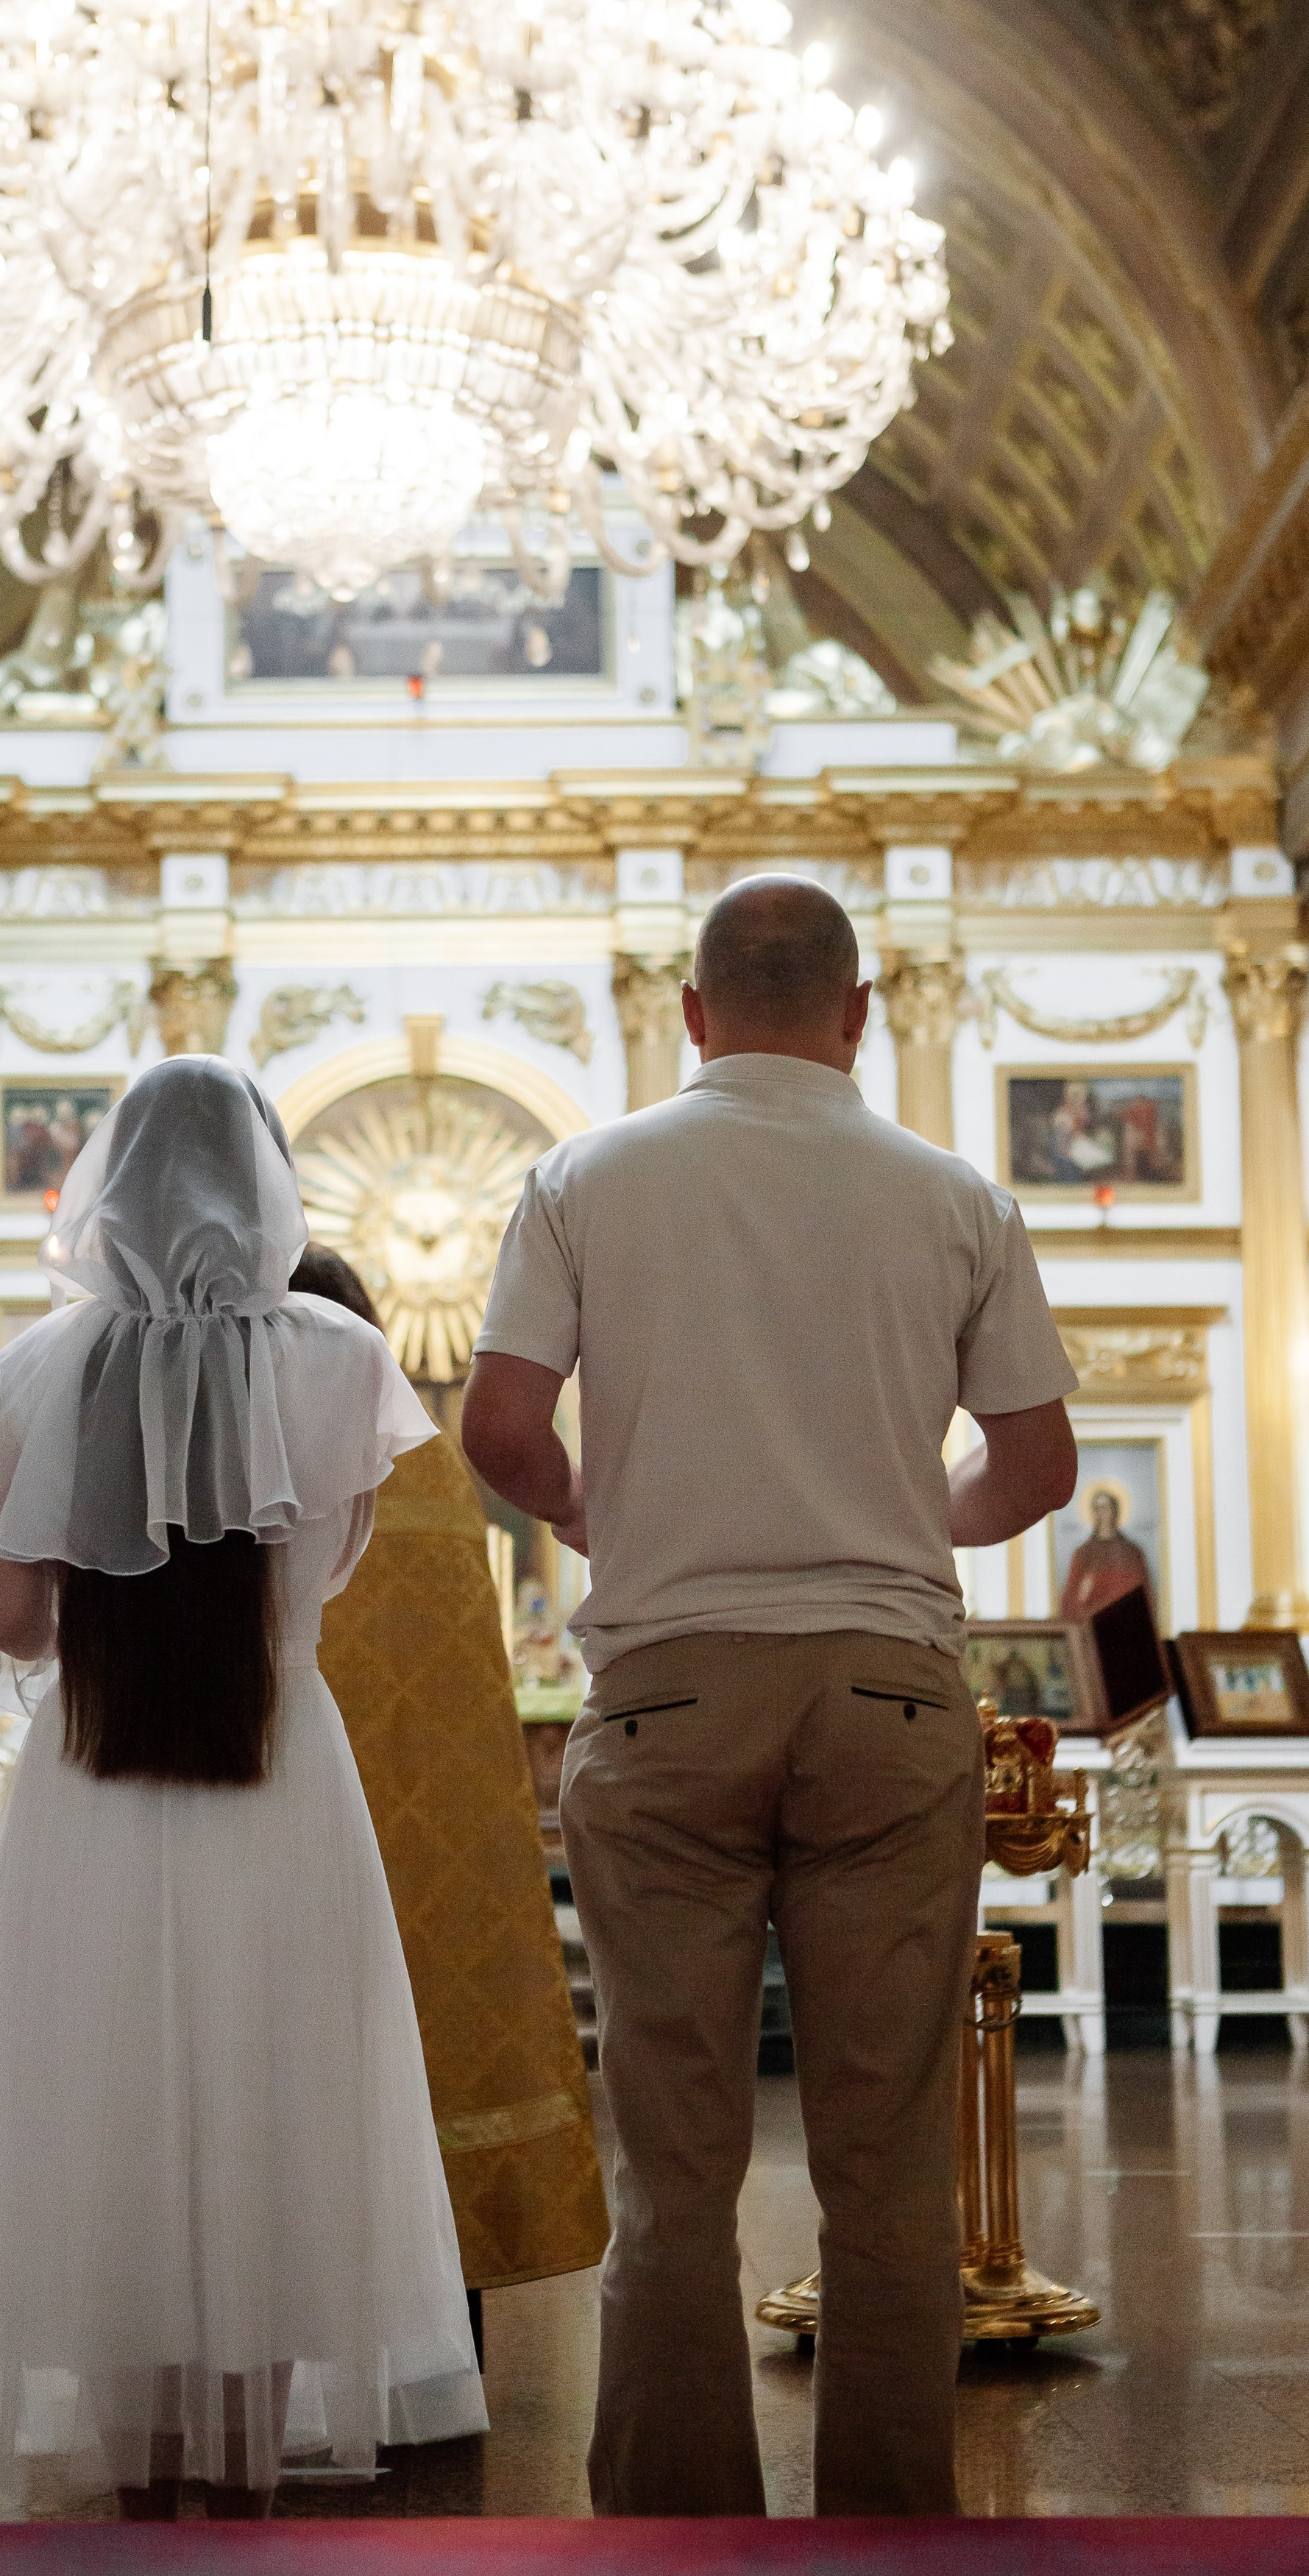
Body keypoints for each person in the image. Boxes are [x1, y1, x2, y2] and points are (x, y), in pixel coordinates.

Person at [461, 874, 1078, 2520]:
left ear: (688, 1009)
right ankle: (885, 2527)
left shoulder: (582, 1176)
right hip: (885, 1690)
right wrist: (893, 1515)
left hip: (663, 1692)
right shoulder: (950, 1194)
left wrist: (610, 1514)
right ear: (858, 1012)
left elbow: (498, 1432)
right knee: (886, 2161)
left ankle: (673, 2531)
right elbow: (1033, 1462)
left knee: (668, 2164)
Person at [0, 1060, 486, 2519]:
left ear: (109, 1186)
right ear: (268, 1178)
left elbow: (13, 1621)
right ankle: (244, 2446)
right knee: (270, 2081)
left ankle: (135, 2465)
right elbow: (326, 1570)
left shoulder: (35, 1371)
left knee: (105, 2089)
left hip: (94, 1777)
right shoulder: (344, 1361)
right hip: (277, 1762)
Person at [291, 1243, 608, 2326]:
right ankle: (441, 2323)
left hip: (274, 1808)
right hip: (425, 1843)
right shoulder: (420, 1463)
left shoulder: (243, 1460)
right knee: (428, 2049)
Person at [1060, 1485, 1152, 1621]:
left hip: (1127, 1624)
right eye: (1097, 1508)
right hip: (1094, 1625)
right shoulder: (1083, 1554)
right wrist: (1082, 1595)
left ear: (1114, 1511)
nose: (1101, 1513)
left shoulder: (1132, 1552)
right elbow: (1070, 1602)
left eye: (1105, 1507)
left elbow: (1144, 1597)